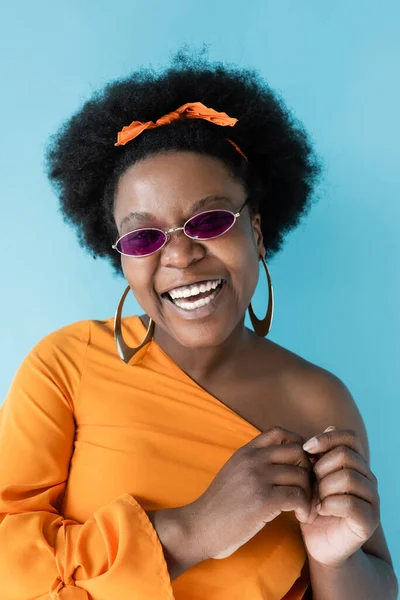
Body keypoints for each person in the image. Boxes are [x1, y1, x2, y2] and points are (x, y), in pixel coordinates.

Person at [0, 47, 397, 600]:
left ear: (255, 232)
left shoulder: (320, 402)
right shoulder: (65, 366)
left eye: (209, 221)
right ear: (123, 257)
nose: (181, 257)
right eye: (144, 237)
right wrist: (192, 530)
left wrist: (335, 558)